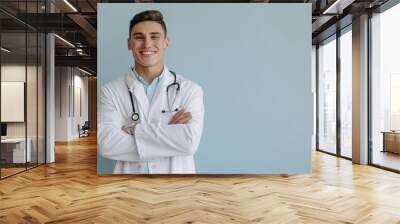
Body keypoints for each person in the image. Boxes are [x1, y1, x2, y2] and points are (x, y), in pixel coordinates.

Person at [98, 10, 204, 174]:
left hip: (176, 189)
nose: (147, 44)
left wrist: (134, 130)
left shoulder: (190, 90)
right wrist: (169, 131)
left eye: (154, 36)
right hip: (129, 190)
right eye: (139, 37)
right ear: (129, 43)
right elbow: (107, 145)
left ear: (166, 42)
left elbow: (189, 142)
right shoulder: (110, 91)